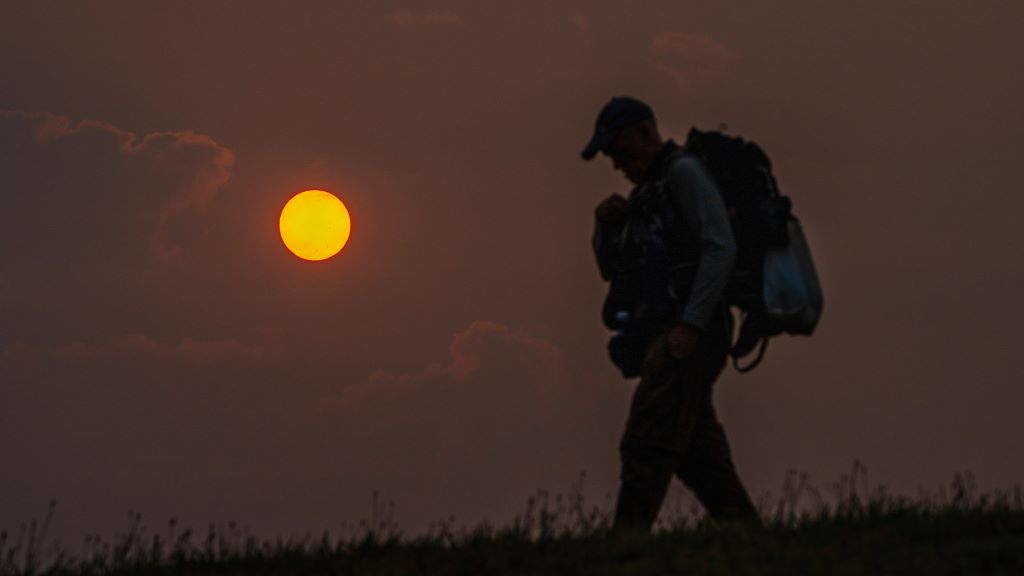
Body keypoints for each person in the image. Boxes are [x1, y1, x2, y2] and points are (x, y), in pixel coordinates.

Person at [582, 96, 761, 534]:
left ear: (646, 133)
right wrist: (605, 226)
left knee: (647, 435)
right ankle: (748, 538)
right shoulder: (646, 194)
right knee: (701, 456)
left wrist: (691, 324)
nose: (616, 162)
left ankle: (626, 543)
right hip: (671, 331)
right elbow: (613, 270)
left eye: (619, 150)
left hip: (690, 332)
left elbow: (720, 246)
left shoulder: (682, 173)